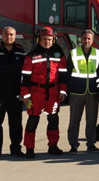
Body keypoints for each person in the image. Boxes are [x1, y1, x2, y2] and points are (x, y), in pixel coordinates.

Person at [20, 27, 67, 158]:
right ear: (38, 40)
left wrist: (63, 91)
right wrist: (25, 95)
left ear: (53, 40)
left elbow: (63, 75)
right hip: (36, 92)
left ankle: (53, 146)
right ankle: (29, 148)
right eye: (44, 39)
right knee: (33, 120)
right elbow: (25, 77)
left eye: (50, 39)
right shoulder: (31, 55)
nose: (47, 42)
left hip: (53, 92)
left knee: (53, 119)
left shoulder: (59, 55)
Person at [0, 26, 27, 158]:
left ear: (15, 36)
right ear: (2, 36)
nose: (9, 37)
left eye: (12, 34)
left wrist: (24, 93)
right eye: (6, 34)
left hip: (16, 96)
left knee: (16, 124)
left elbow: (25, 75)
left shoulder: (21, 53)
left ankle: (16, 148)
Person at [67, 30, 99, 153]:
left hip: (92, 91)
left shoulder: (98, 53)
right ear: (81, 39)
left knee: (91, 120)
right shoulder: (73, 53)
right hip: (76, 91)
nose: (86, 41)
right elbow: (68, 72)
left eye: (89, 38)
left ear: (92, 40)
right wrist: (68, 90)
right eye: (84, 38)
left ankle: (91, 144)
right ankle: (73, 145)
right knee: (74, 120)